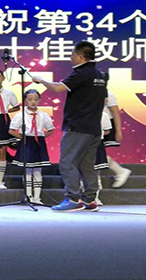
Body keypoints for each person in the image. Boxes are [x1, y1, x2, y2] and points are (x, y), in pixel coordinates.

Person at [32, 40, 107, 212]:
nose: (70, 58)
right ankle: (90, 200)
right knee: (87, 165)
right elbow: (104, 100)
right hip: (94, 127)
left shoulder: (81, 73)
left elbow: (58, 88)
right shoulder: (99, 75)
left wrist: (41, 80)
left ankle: (73, 199)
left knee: (67, 162)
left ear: (80, 57)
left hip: (78, 126)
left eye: (72, 54)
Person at [9, 89, 54, 204]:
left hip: (38, 143)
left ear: (39, 100)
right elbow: (11, 130)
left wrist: (41, 137)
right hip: (26, 142)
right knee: (27, 170)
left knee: (38, 170)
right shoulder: (20, 115)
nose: (33, 102)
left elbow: (50, 129)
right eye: (30, 99)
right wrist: (22, 137)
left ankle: (37, 197)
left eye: (36, 99)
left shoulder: (43, 115)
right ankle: (28, 196)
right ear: (25, 100)